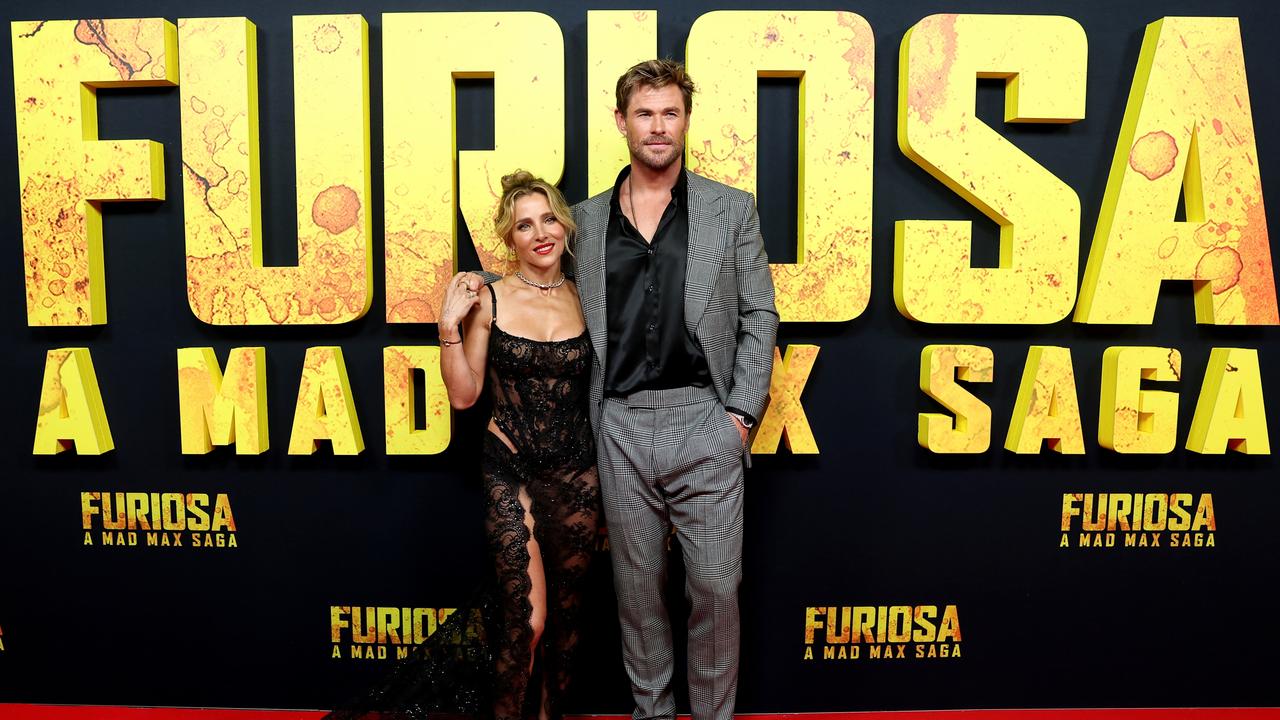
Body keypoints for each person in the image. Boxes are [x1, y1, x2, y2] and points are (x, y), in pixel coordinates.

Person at [330, 171, 601, 720]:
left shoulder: (589, 297)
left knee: (568, 628)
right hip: (512, 469)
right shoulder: (491, 299)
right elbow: (463, 395)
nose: (540, 233)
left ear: (565, 226)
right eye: (525, 225)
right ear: (509, 238)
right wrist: (447, 328)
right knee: (527, 622)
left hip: (578, 475)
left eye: (549, 218)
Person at [571, 59, 778, 720]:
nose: (658, 127)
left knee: (716, 586)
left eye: (670, 113)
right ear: (620, 121)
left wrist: (740, 413)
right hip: (622, 423)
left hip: (705, 418)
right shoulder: (583, 221)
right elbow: (538, 293)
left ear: (685, 120)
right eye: (644, 113)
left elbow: (760, 315)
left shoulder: (730, 209)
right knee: (636, 593)